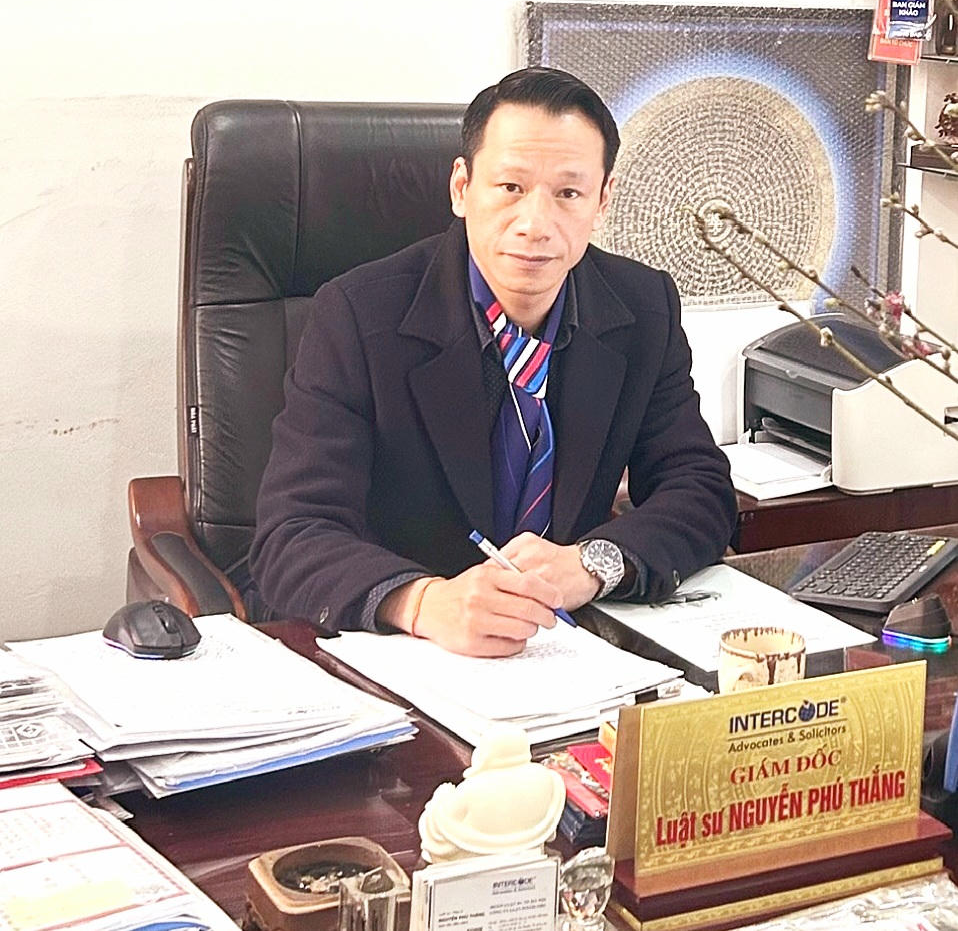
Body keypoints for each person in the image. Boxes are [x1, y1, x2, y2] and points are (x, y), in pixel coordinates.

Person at [250, 70, 736, 656]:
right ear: (462, 188)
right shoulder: (358, 315)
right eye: (510, 187)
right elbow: (292, 534)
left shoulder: (642, 307)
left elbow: (700, 488)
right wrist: (422, 602)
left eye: (568, 194)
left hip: (564, 648)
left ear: (602, 202)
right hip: (407, 651)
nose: (535, 224)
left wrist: (592, 563)